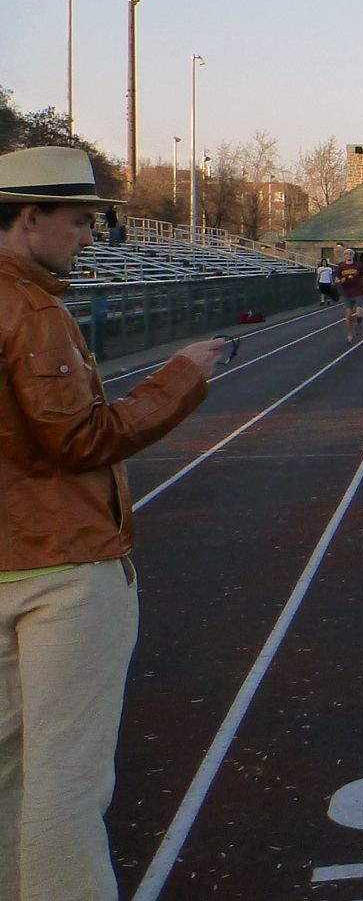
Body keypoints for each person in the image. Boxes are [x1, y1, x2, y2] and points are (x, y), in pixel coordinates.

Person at [0, 146, 225, 900]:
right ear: (28, 217)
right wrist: (182, 376)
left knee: (7, 776)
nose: (90, 237)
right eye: (78, 220)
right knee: (66, 779)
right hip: (62, 568)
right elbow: (80, 440)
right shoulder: (30, 310)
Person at [334, 247, 363, 344]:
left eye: (350, 253)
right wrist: (341, 280)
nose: (349, 255)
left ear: (353, 255)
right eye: (347, 254)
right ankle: (349, 335)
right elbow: (336, 280)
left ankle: (358, 323)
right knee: (348, 316)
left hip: (358, 292)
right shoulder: (341, 267)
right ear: (344, 256)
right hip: (347, 294)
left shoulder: (359, 265)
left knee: (359, 314)